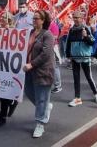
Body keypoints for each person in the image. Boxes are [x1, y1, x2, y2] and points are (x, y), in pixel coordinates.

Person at [23, 10, 55, 138]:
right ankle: (46, 107)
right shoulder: (31, 32)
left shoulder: (47, 35)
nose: (34, 20)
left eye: (37, 18)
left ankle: (40, 124)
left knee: (41, 98)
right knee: (29, 91)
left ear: (42, 20)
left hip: (43, 71)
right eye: (33, 18)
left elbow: (45, 54)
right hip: (30, 70)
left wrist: (32, 64)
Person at [65, 11, 97, 107]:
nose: (76, 19)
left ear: (82, 19)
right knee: (76, 78)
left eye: (78, 17)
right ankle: (77, 98)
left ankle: (96, 94)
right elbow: (68, 42)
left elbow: (92, 42)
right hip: (75, 57)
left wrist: (86, 36)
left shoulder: (86, 28)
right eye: (74, 17)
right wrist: (68, 54)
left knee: (89, 77)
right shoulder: (71, 30)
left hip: (85, 57)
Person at [0, 12, 19, 128]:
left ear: (9, 20)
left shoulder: (15, 32)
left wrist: (9, 32)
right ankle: (12, 101)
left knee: (4, 91)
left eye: (4, 17)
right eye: (1, 17)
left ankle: (1, 117)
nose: (1, 19)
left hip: (9, 65)